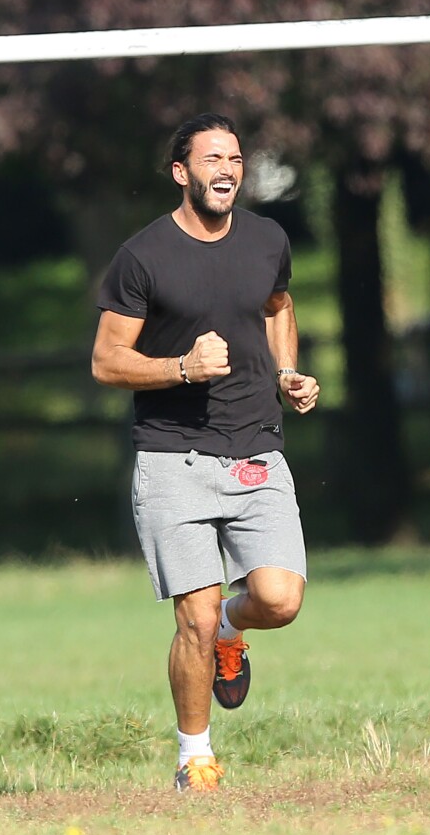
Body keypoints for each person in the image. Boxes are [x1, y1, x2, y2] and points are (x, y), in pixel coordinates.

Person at [92, 112, 319, 792]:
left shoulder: (267, 239)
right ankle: (196, 756)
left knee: (279, 600)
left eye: (236, 158)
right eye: (212, 158)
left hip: (255, 448)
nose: (227, 169)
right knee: (189, 615)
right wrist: (182, 369)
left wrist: (286, 375)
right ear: (181, 172)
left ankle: (230, 626)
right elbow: (107, 362)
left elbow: (278, 306)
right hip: (171, 456)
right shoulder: (143, 256)